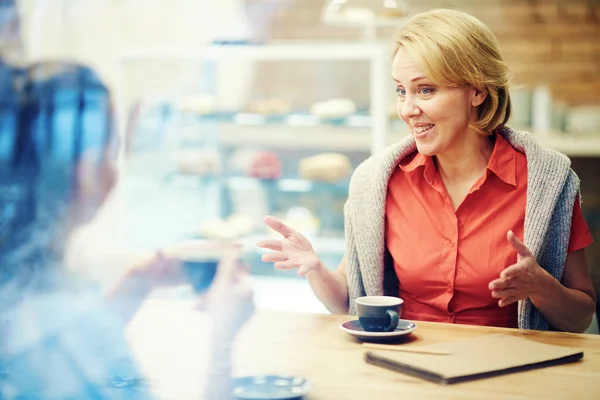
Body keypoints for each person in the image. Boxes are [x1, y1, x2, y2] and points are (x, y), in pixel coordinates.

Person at [258, 9, 596, 333]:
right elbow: (350, 301)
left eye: (425, 90)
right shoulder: (378, 183)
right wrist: (316, 268)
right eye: (401, 90)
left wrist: (541, 286)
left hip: (507, 376)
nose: (407, 109)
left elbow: (580, 317)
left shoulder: (546, 183)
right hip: (406, 364)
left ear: (477, 90)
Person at [0, 60, 254, 399]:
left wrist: (136, 284)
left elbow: (66, 367)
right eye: (111, 150)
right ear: (86, 173)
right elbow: (70, 344)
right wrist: (224, 338)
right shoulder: (65, 321)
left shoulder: (24, 288)